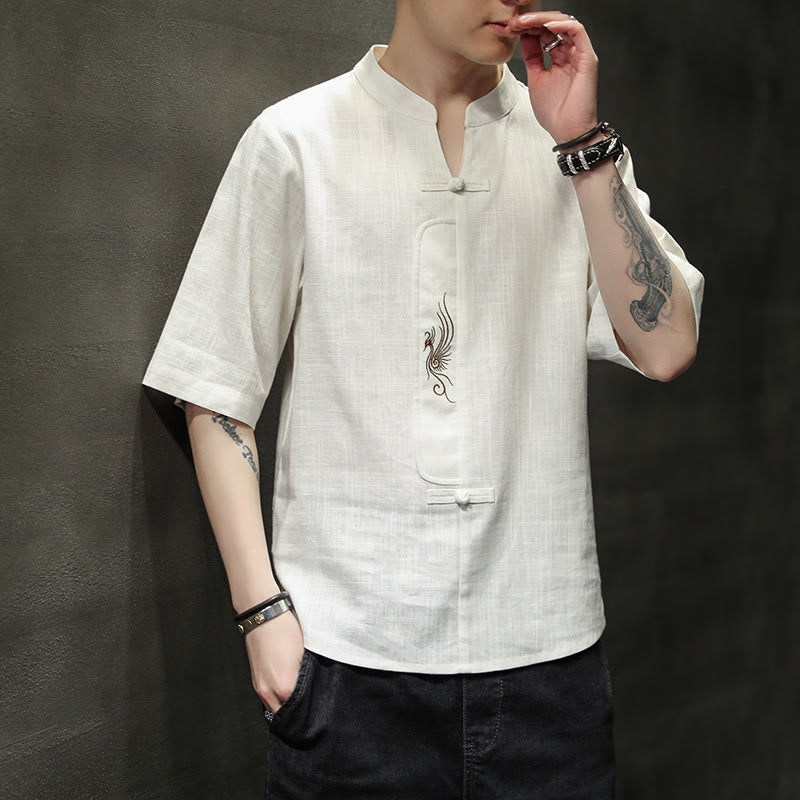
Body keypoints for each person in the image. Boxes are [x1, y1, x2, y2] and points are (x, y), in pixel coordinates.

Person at [142, 1, 705, 797]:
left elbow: (667, 346)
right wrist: (261, 614)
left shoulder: (573, 152)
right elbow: (216, 387)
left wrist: (582, 146)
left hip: (549, 672)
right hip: (349, 669)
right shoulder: (298, 139)